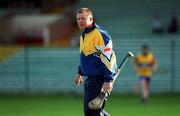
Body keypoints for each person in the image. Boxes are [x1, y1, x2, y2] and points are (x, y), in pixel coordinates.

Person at [74, 7, 117, 116]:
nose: (80, 21)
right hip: (90, 79)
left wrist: (108, 80)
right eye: (78, 19)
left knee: (92, 113)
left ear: (91, 19)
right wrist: (80, 72)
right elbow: (84, 56)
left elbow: (109, 57)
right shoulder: (83, 35)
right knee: (94, 112)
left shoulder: (100, 34)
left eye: (83, 18)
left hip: (99, 80)